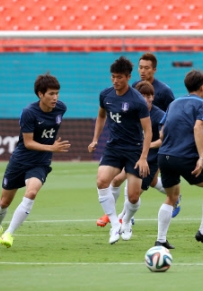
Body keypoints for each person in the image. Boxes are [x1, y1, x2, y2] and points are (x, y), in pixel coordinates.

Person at [0, 73, 71, 249]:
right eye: (51, 94)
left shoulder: (61, 108)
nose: (55, 98)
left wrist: (49, 150)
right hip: (20, 160)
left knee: (31, 193)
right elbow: (28, 143)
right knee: (4, 202)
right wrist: (52, 148)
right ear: (40, 94)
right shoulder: (29, 112)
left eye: (57, 93)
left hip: (40, 163)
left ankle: (8, 234)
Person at [95, 80, 181, 229]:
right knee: (116, 180)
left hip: (152, 157)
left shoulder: (159, 115)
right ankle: (114, 215)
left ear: (153, 97)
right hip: (134, 153)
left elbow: (166, 139)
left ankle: (124, 218)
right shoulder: (131, 111)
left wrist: (146, 146)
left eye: (149, 96)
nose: (145, 99)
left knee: (134, 193)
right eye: (142, 96)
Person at [155, 69, 203, 249]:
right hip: (184, 157)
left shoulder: (174, 103)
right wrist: (201, 157)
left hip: (164, 156)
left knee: (172, 197)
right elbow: (197, 128)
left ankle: (160, 240)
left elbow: (162, 130)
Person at [88, 56, 152, 244]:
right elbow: (101, 117)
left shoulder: (137, 100)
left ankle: (126, 222)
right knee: (101, 181)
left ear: (128, 77)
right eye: (113, 77)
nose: (115, 81)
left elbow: (148, 131)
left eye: (119, 77)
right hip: (114, 147)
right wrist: (95, 139)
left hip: (134, 150)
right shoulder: (105, 95)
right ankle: (116, 224)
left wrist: (143, 157)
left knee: (133, 196)